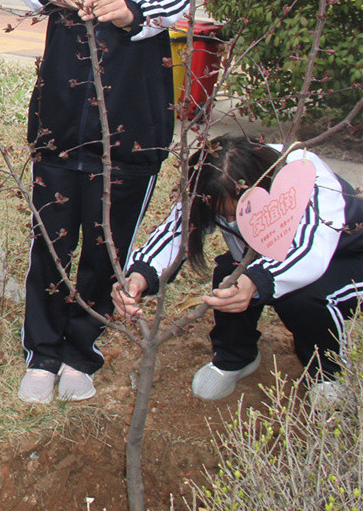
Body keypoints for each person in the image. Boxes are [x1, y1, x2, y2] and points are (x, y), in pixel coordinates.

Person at [11, 0, 193, 403]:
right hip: (63, 112)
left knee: (107, 242)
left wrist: (133, 9)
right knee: (52, 237)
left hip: (132, 123)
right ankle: (40, 352)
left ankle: (81, 352)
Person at [116, 136, 363, 404]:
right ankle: (235, 358)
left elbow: (311, 251)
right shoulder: (207, 184)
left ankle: (328, 374)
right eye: (225, 215)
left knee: (304, 297)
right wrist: (140, 274)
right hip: (270, 256)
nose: (234, 224)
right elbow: (177, 230)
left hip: (345, 256)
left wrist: (256, 280)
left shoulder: (305, 176)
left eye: (239, 212)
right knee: (229, 276)